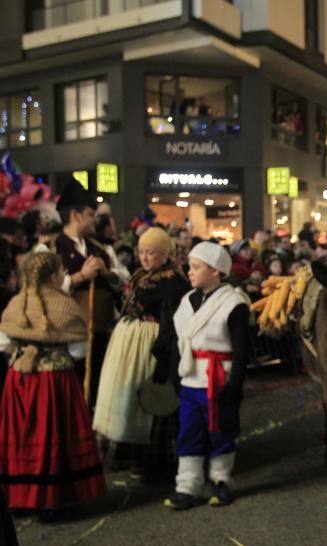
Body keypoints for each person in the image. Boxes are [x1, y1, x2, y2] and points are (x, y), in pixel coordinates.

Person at [0, 252, 105, 519]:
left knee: (21, 436)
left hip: (19, 378)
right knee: (52, 436)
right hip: (53, 380)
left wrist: (25, 349)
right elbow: (79, 350)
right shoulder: (65, 305)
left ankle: (20, 497)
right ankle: (52, 499)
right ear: (54, 277)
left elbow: (3, 343)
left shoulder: (16, 303)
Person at [93, 227, 190, 476]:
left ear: (165, 253)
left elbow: (172, 321)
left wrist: (163, 354)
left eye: (151, 253)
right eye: (142, 252)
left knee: (149, 399)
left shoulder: (174, 281)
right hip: (129, 341)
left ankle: (152, 461)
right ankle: (127, 455)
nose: (145, 257)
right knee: (126, 395)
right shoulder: (141, 275)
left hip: (150, 342)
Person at [165, 242, 250, 510]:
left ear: (215, 271)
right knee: (189, 431)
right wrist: (176, 375)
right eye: (190, 267)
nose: (190, 272)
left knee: (220, 431)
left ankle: (220, 480)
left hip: (219, 379)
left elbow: (242, 349)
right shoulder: (187, 301)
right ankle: (187, 485)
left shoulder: (234, 303)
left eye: (196, 267)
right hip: (191, 379)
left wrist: (235, 383)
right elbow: (179, 342)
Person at [55, 178, 119, 409]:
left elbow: (122, 279)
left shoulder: (101, 249)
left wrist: (106, 272)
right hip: (68, 333)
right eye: (90, 214)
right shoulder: (51, 249)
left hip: (101, 330)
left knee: (98, 390)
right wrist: (80, 276)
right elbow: (44, 291)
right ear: (76, 216)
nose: (94, 220)